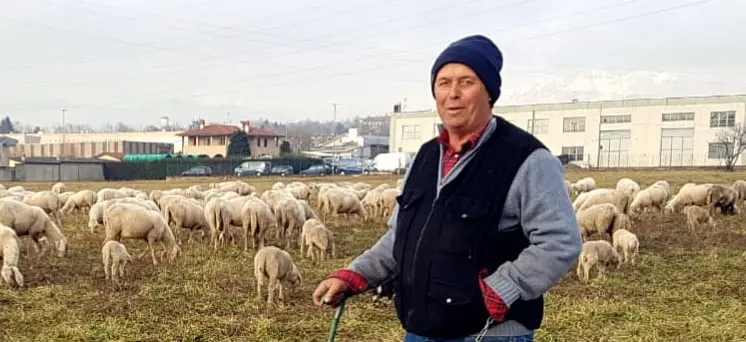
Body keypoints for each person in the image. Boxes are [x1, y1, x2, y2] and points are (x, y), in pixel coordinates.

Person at [312, 34, 583, 342]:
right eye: (443, 83)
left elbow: (560, 241)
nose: (453, 94)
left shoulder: (527, 159)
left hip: (489, 335)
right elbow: (400, 236)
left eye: (466, 82)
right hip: (420, 332)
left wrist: (504, 288)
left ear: (489, 93)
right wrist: (355, 274)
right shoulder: (426, 157)